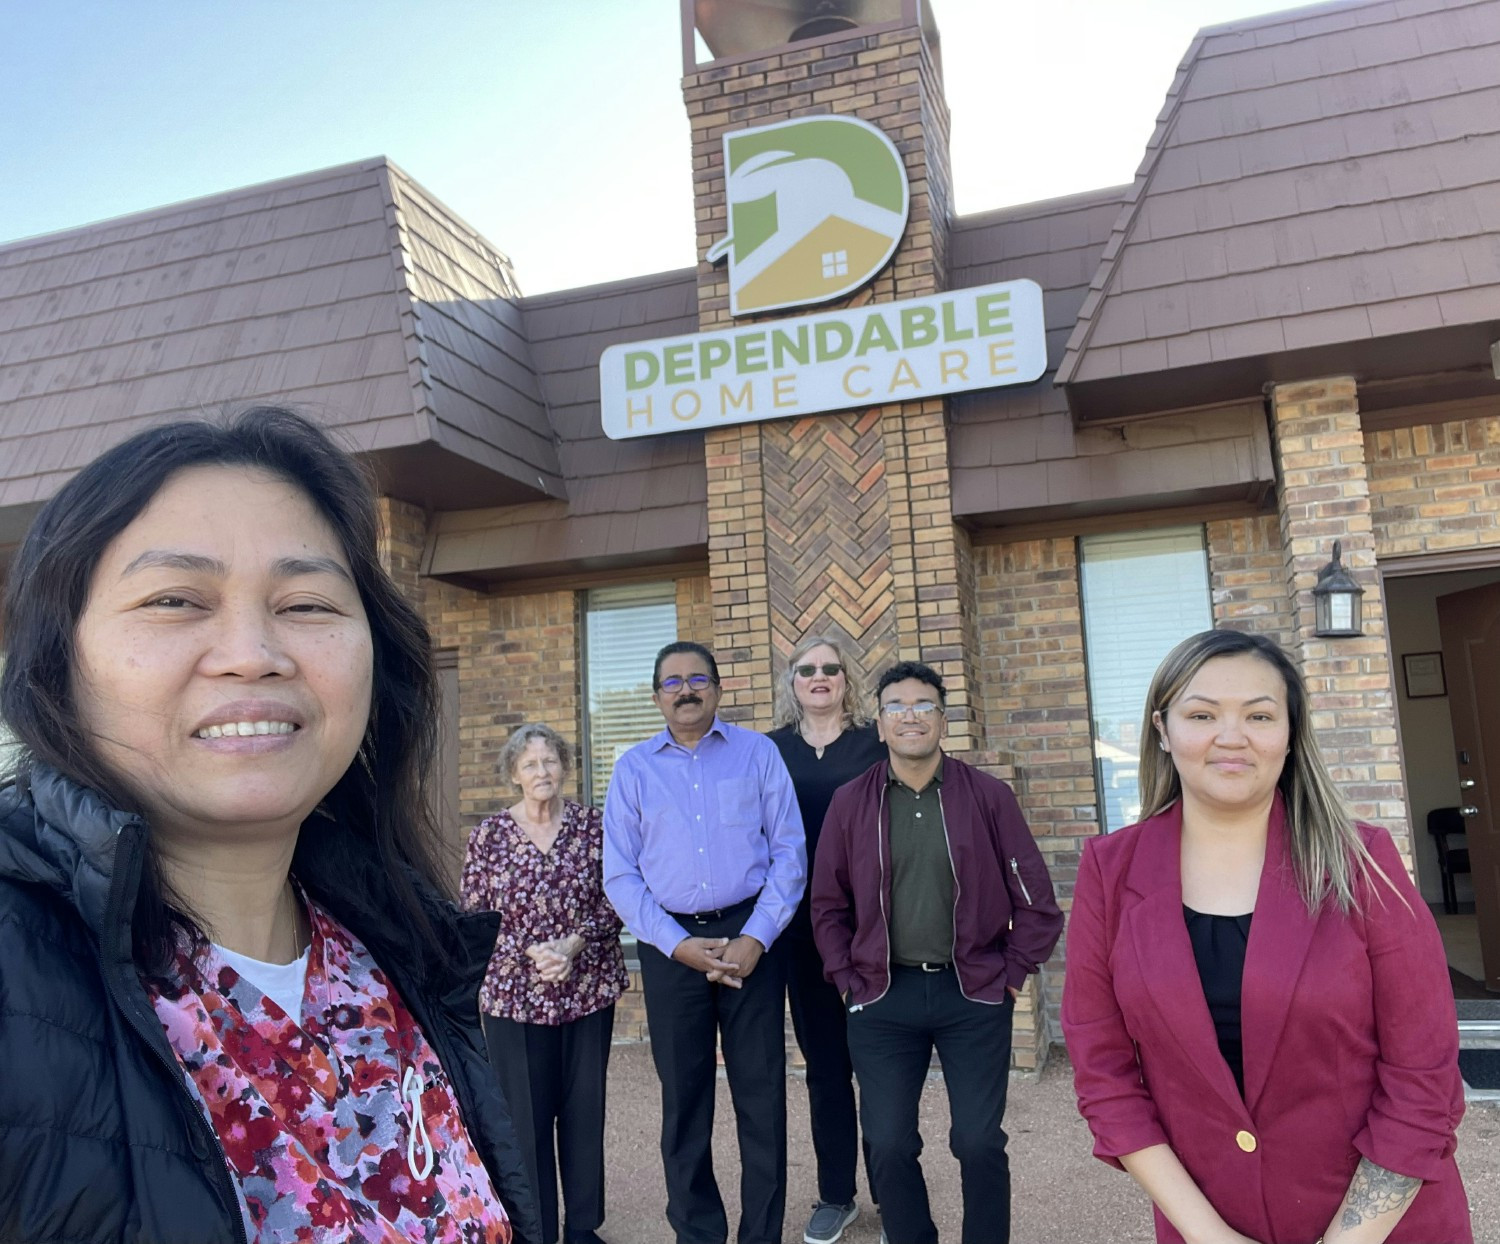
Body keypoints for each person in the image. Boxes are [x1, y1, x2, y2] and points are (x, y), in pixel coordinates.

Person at [0, 408, 541, 1244]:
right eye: (175, 599)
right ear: (56, 664)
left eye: (305, 603)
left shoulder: (402, 946)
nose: (254, 652)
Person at [1062, 628, 1471, 1244]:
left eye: (1259, 714)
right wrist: (1212, 1236)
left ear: (1289, 732)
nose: (1233, 736)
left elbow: (1424, 1080)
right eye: (1202, 714)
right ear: (1162, 730)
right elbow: (1106, 1078)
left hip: (1385, 1229)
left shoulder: (1364, 862)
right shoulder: (1108, 872)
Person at [812, 660, 1063, 1244]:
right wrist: (848, 980)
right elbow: (826, 905)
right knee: (890, 1142)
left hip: (972, 992)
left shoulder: (988, 798)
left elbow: (1038, 904)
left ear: (942, 721)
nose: (910, 717)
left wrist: (1010, 975)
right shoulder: (852, 803)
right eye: (896, 706)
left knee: (977, 1141)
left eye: (923, 706)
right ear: (879, 724)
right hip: (881, 995)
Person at [602, 641, 806, 1244]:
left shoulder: (758, 753)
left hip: (752, 939)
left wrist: (756, 937)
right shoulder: (633, 770)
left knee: (762, 1096)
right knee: (684, 1101)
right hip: (672, 949)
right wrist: (674, 945)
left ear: (717, 688)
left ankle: (760, 1234)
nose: (685, 689)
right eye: (672, 682)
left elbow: (790, 854)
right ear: (657, 695)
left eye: (697, 679)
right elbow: (621, 874)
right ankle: (697, 1232)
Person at [462, 723, 629, 1244]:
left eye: (551, 761)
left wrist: (572, 946)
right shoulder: (489, 836)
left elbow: (617, 897)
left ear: (565, 768)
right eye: (531, 764)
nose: (543, 772)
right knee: (524, 1119)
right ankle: (536, 1231)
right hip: (513, 994)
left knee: (584, 1110)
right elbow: (473, 914)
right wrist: (533, 954)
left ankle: (582, 1227)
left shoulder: (593, 827)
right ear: (514, 773)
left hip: (587, 989)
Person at [766, 636, 885, 1244]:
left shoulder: (875, 742)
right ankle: (837, 1195)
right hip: (799, 931)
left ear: (846, 680)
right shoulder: (767, 750)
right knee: (826, 1068)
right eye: (807, 669)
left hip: (875, 929)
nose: (819, 677)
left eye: (830, 669)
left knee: (884, 1065)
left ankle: (896, 1195)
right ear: (792, 682)